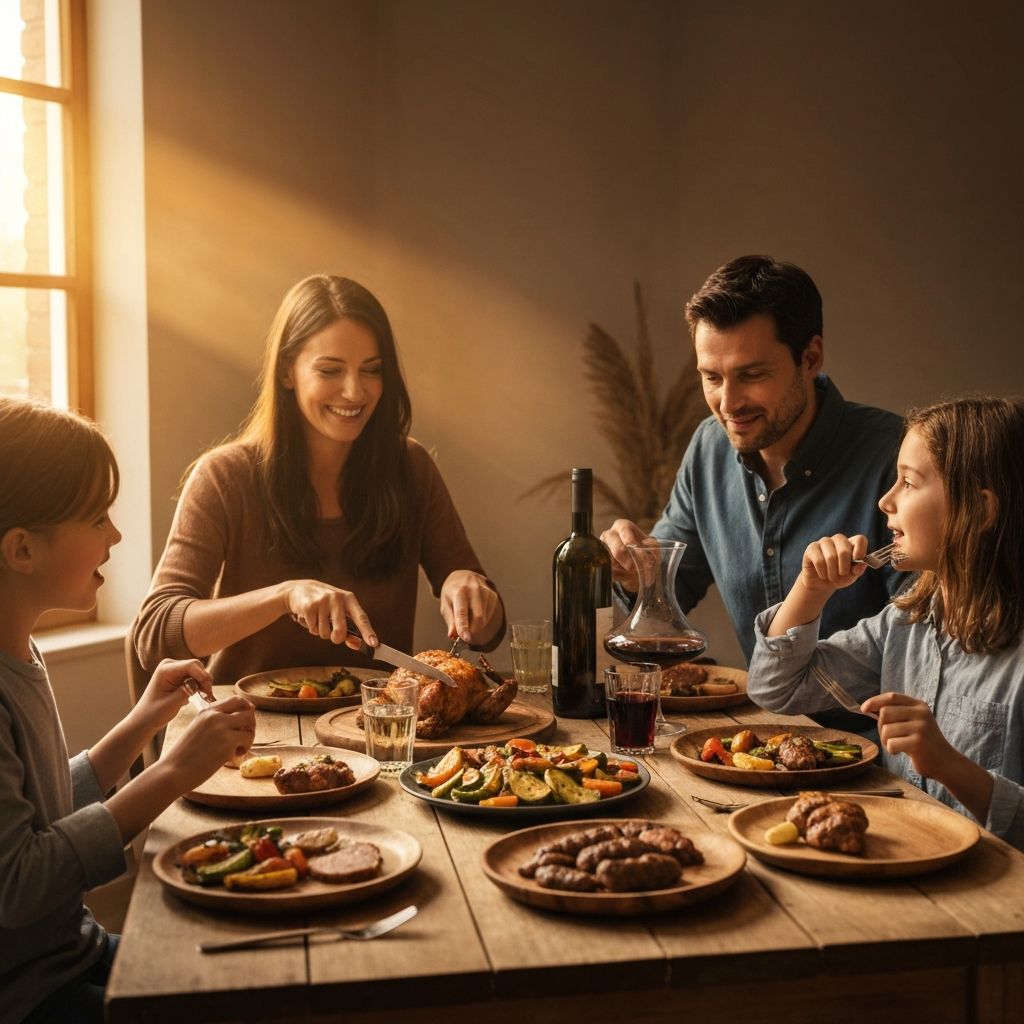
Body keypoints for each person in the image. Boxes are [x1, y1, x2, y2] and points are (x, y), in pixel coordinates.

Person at [0, 398, 256, 1024]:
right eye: (98, 519)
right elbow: (19, 886)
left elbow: (46, 811)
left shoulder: (20, 650)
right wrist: (169, 775)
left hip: (70, 955)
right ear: (22, 550)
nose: (115, 536)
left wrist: (143, 720)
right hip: (31, 997)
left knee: (245, 971)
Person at [130, 275, 504, 685]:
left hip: (377, 732)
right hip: (250, 735)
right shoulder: (224, 477)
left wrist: (467, 587)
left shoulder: (410, 468)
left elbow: (487, 635)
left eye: (372, 370)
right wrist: (283, 596)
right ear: (288, 371)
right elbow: (154, 635)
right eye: (330, 370)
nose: (354, 391)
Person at [601, 255, 903, 731]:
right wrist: (634, 570)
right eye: (712, 377)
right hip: (760, 743)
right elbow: (664, 597)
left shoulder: (898, 461)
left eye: (752, 374)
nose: (728, 403)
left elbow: (925, 653)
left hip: (881, 761)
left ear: (811, 358)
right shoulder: (708, 446)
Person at [746, 396, 1024, 849]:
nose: (885, 500)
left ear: (980, 510)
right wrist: (810, 589)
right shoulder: (903, 622)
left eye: (909, 484)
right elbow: (776, 688)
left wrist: (949, 765)